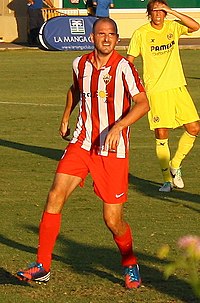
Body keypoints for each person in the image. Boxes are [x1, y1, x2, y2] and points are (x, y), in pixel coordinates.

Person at [17, 18, 149, 289]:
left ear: (116, 38)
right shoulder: (80, 64)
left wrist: (119, 126)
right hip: (82, 143)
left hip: (112, 150)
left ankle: (130, 262)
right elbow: (76, 89)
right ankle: (43, 266)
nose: (106, 38)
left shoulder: (124, 68)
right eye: (102, 34)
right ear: (92, 37)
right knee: (55, 196)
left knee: (113, 220)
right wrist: (66, 115)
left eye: (111, 34)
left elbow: (143, 103)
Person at [127, 0, 200, 192]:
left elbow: (195, 26)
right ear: (149, 13)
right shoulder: (141, 33)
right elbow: (129, 60)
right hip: (156, 91)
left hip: (177, 87)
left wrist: (173, 11)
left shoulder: (173, 27)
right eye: (154, 11)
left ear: (165, 13)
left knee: (194, 128)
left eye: (161, 11)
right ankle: (167, 180)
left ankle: (175, 165)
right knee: (161, 133)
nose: (158, 14)